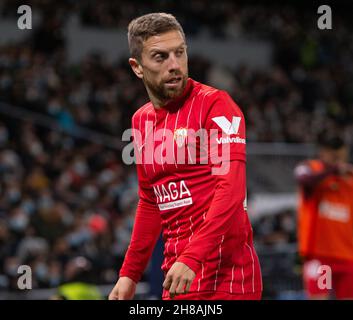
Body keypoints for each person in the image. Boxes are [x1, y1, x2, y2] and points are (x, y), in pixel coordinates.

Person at [109, 12, 262, 300]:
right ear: (137, 67)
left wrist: (192, 257)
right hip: (177, 277)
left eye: (180, 53)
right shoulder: (140, 121)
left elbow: (231, 190)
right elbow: (151, 200)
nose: (175, 65)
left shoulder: (216, 105)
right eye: (160, 57)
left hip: (226, 278)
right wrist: (129, 273)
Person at [294, 133, 353, 299]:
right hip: (320, 257)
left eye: (340, 155)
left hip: (348, 257)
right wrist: (332, 170)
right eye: (333, 155)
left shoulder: (349, 178)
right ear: (322, 152)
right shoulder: (311, 169)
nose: (337, 159)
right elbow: (302, 178)